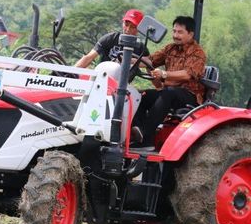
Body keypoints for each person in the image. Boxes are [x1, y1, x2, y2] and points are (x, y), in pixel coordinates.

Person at [134, 16, 206, 148]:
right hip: (169, 92)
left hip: (189, 96)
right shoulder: (170, 49)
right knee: (138, 95)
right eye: (174, 31)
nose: (175, 35)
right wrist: (129, 58)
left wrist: (164, 74)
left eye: (180, 32)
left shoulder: (197, 53)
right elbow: (150, 60)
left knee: (168, 93)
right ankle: (137, 133)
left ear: (190, 34)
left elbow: (187, 75)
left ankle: (146, 135)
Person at [74, 9, 149, 68]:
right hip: (102, 78)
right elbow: (88, 58)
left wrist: (130, 61)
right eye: (126, 24)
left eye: (133, 27)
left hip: (123, 84)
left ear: (139, 28)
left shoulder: (141, 49)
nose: (128, 29)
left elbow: (151, 67)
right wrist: (70, 73)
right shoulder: (110, 39)